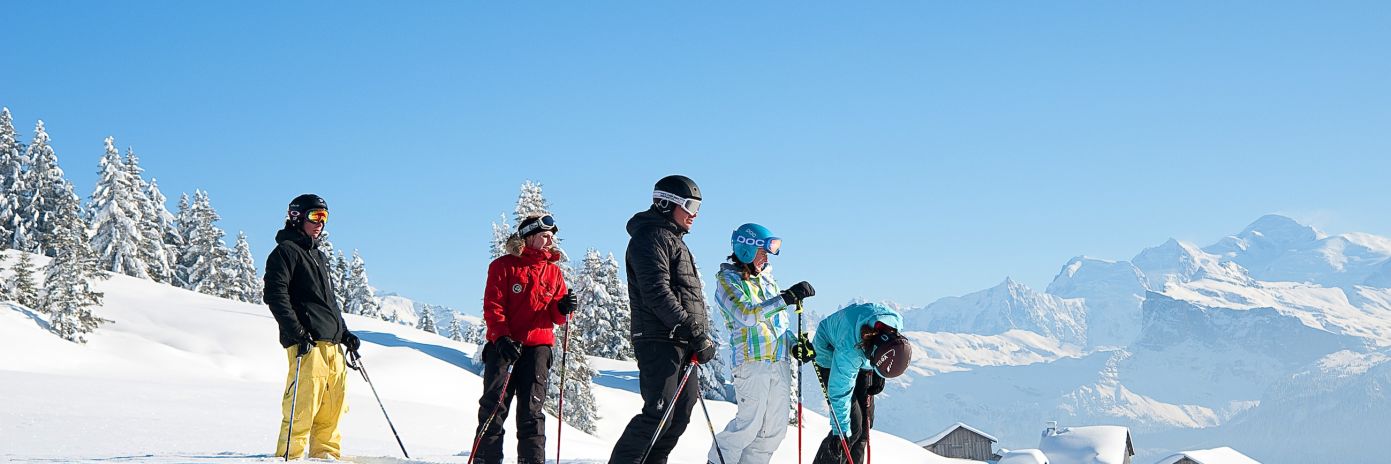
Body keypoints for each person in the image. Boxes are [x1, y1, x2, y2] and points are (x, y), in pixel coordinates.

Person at [609, 174, 719, 464]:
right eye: (690, 206)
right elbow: (657, 292)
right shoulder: (649, 238)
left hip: (682, 339)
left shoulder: (673, 241)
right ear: (665, 203)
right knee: (658, 413)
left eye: (698, 208)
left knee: (679, 417)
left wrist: (695, 333)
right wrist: (691, 328)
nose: (695, 215)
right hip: (659, 338)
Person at [707, 223, 815, 464]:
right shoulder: (728, 280)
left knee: (772, 433)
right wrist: (784, 298)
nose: (767, 256)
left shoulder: (768, 282)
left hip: (779, 363)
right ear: (746, 249)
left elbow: (776, 325)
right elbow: (746, 314)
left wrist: (794, 345)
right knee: (747, 427)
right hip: (752, 363)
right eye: (763, 250)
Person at [472, 214, 576, 464]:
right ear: (529, 236)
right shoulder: (503, 266)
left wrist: (563, 308)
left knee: (532, 411)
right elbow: (493, 305)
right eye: (545, 235)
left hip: (538, 348)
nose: (550, 241)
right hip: (504, 347)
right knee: (494, 408)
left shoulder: (553, 271)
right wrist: (502, 338)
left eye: (552, 236)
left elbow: (555, 317)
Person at [265, 193, 360, 460]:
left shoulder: (318, 256)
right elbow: (275, 295)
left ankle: (325, 456)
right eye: (314, 216)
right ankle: (290, 457)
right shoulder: (285, 252)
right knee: (303, 406)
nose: (320, 223)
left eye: (324, 218)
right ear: (296, 217)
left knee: (333, 407)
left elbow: (328, 302)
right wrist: (296, 332)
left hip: (332, 344)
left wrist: (344, 333)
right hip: (307, 344)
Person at [792, 302, 912, 464]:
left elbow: (888, 352)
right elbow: (839, 391)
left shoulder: (893, 325)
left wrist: (878, 373)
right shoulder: (850, 348)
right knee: (851, 429)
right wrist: (839, 431)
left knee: (865, 428)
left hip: (864, 354)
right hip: (830, 351)